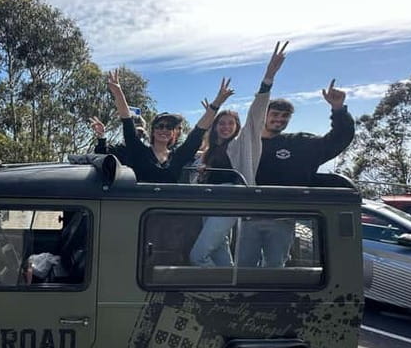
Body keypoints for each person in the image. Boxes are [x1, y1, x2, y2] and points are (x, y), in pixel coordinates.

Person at [189, 42, 289, 266]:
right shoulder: (209, 151)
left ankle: (220, 295)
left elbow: (256, 114)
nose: (225, 127)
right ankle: (227, 286)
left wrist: (268, 77)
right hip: (208, 200)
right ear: (215, 127)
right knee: (218, 252)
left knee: (197, 256)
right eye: (220, 123)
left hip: (230, 199)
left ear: (237, 126)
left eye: (230, 123)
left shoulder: (241, 143)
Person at [237, 79, 355, 267]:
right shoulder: (246, 146)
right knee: (243, 267)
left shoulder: (299, 144)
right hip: (247, 218)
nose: (279, 119)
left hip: (283, 219)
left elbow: (338, 140)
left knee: (275, 267)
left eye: (285, 116)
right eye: (275, 114)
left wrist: (339, 109)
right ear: (263, 115)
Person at [105, 71, 233, 183]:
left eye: (169, 127)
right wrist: (118, 92)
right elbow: (127, 121)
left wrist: (217, 102)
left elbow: (198, 131)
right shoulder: (140, 151)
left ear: (174, 133)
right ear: (153, 131)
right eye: (160, 126)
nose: (164, 130)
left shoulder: (178, 156)